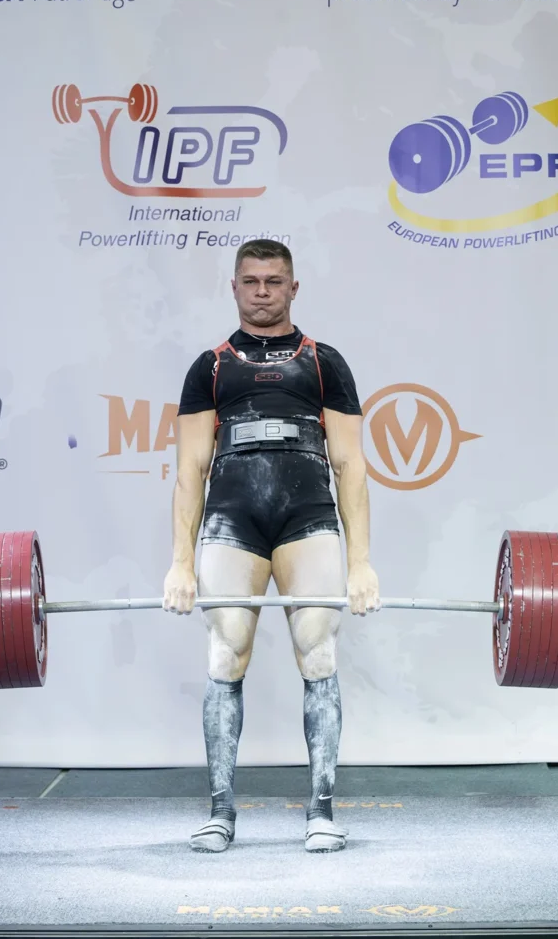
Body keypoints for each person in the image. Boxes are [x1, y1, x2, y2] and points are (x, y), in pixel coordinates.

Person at [163, 238, 380, 854]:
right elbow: (190, 471)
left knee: (318, 655)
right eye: (252, 281)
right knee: (226, 655)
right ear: (234, 286)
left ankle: (322, 811)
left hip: (307, 520)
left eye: (274, 281)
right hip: (233, 522)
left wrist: (361, 564)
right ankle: (220, 812)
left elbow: (350, 465)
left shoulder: (324, 364)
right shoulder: (209, 368)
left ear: (293, 288)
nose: (263, 291)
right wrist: (181, 564)